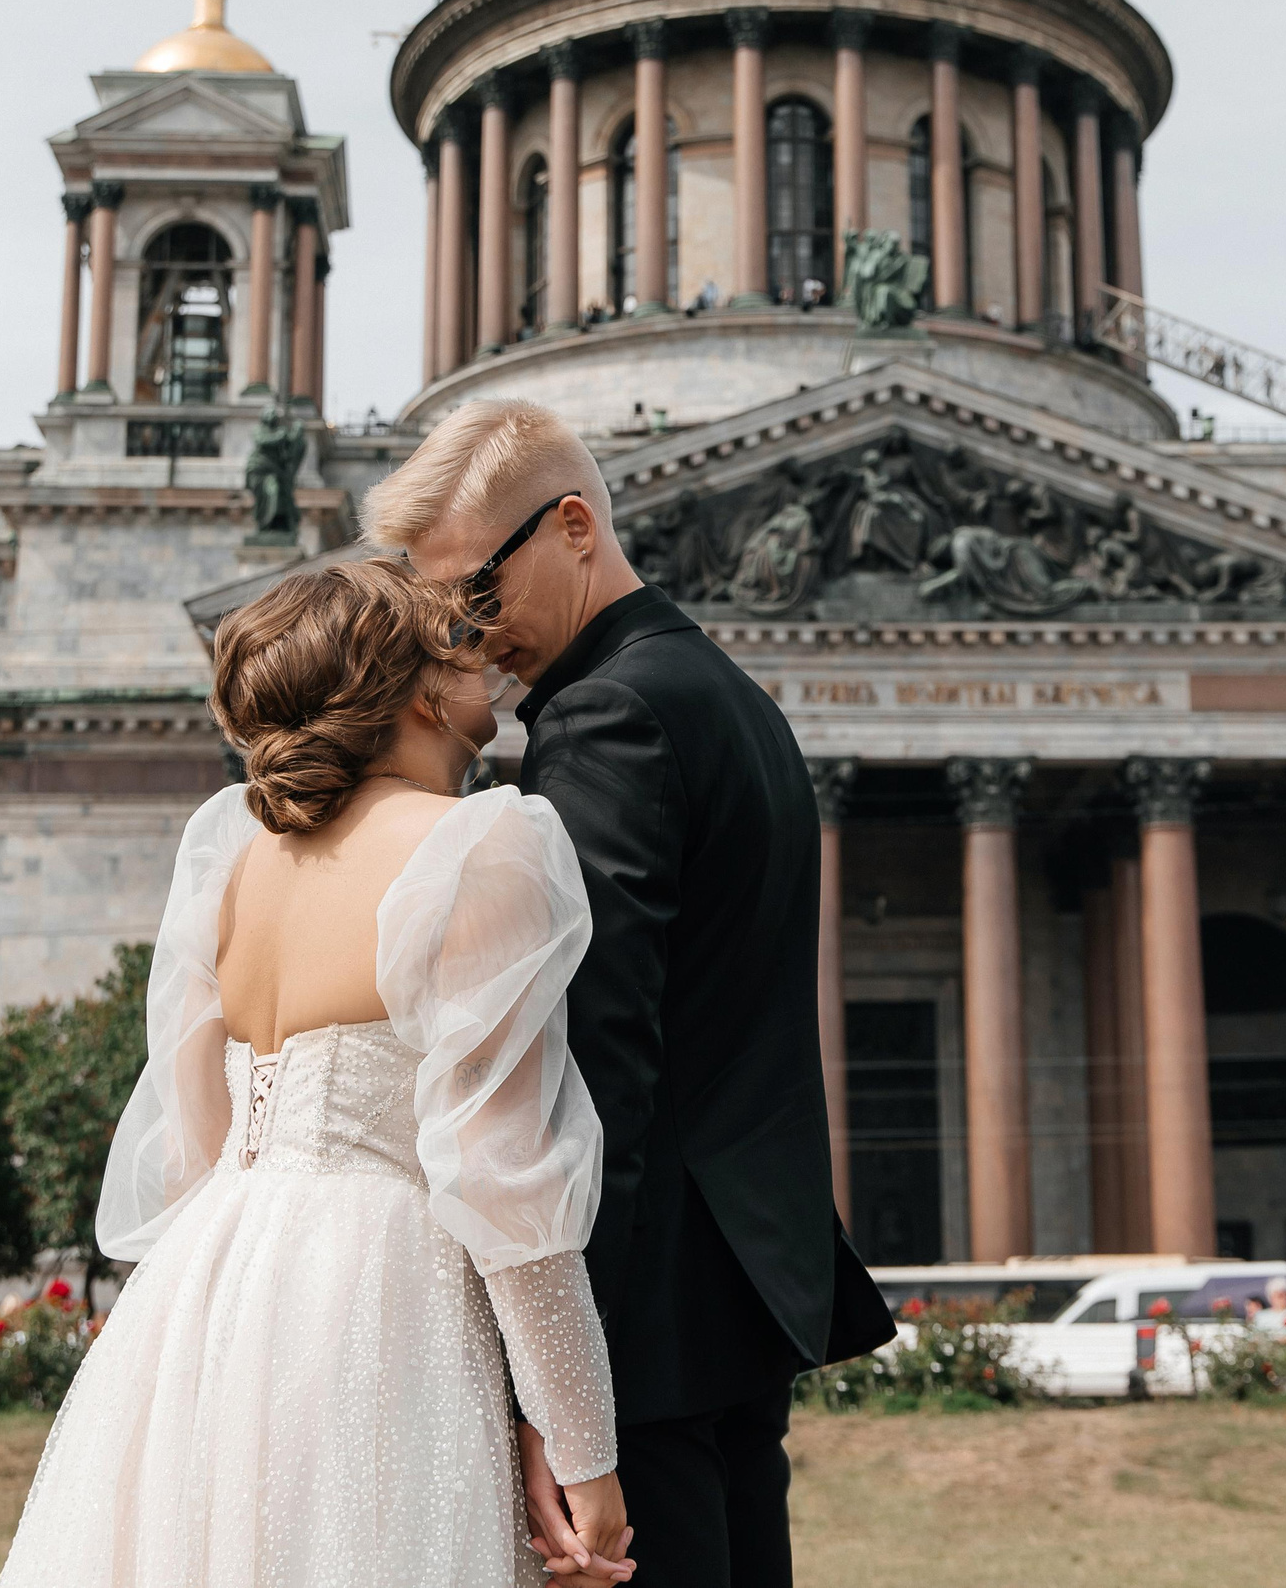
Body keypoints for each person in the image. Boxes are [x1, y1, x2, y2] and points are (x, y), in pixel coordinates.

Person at [0, 560, 633, 1587]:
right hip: (376, 1293)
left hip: (206, 1287)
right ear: (423, 691)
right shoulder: (480, 843)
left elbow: (190, 1149)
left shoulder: (233, 859)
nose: (488, 655)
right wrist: (586, 1450)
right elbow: (510, 1189)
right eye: (458, 641)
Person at [366, 399, 894, 1588]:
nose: (465, 635)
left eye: (476, 594)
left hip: (640, 1322)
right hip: (740, 1292)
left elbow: (591, 1059)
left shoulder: (605, 718)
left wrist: (559, 1389)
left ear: (571, 526)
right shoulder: (728, 695)